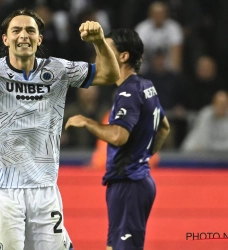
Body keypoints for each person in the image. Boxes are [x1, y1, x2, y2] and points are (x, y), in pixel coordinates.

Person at [0, 8, 120, 250]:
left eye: (30, 30)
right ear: (5, 39)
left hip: (44, 188)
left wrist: (98, 42)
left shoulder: (58, 70)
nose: (24, 35)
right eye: (16, 30)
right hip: (2, 188)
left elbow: (109, 74)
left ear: (39, 39)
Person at [65, 28, 170, 250]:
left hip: (128, 184)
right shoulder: (145, 86)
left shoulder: (127, 92)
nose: (99, 57)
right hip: (139, 180)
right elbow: (163, 128)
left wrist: (87, 122)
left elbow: (118, 136)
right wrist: (144, 156)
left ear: (123, 57)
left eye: (106, 51)